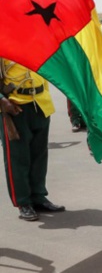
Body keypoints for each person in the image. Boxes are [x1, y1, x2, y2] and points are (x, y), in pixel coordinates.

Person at [0, 59, 65, 221]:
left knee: (39, 156)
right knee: (18, 158)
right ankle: (23, 202)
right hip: (15, 106)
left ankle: (38, 196)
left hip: (40, 102)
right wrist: (1, 100)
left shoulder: (35, 40)